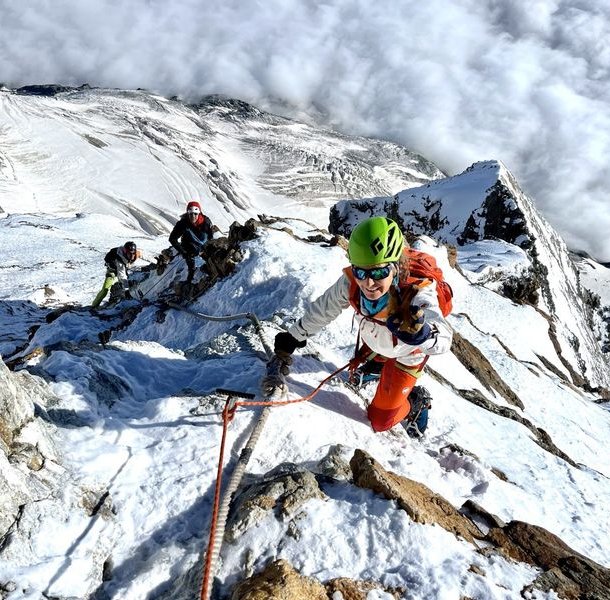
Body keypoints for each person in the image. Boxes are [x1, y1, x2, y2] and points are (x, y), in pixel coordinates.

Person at [264, 217, 453, 437]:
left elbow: (444, 335)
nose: (368, 283)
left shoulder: (417, 292)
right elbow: (325, 309)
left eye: (379, 272)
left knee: (380, 421)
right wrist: (294, 337)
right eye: (361, 272)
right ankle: (378, 367)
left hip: (407, 353)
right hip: (377, 341)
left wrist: (424, 334)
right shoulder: (351, 283)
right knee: (359, 373)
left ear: (396, 267)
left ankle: (416, 401)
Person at [169, 201, 216, 282]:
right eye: (191, 214)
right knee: (191, 264)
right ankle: (190, 279)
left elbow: (211, 237)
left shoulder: (206, 222)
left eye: (195, 214)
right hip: (188, 246)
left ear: (199, 213)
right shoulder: (183, 223)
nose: (193, 216)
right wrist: (184, 253)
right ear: (188, 213)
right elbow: (172, 239)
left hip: (203, 244)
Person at [91, 241, 141, 308]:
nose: (131, 255)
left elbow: (138, 254)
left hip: (120, 269)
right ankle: (94, 305)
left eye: (133, 253)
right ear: (125, 252)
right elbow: (122, 276)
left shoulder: (133, 254)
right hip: (112, 271)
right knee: (105, 289)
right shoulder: (120, 259)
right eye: (129, 253)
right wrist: (126, 291)